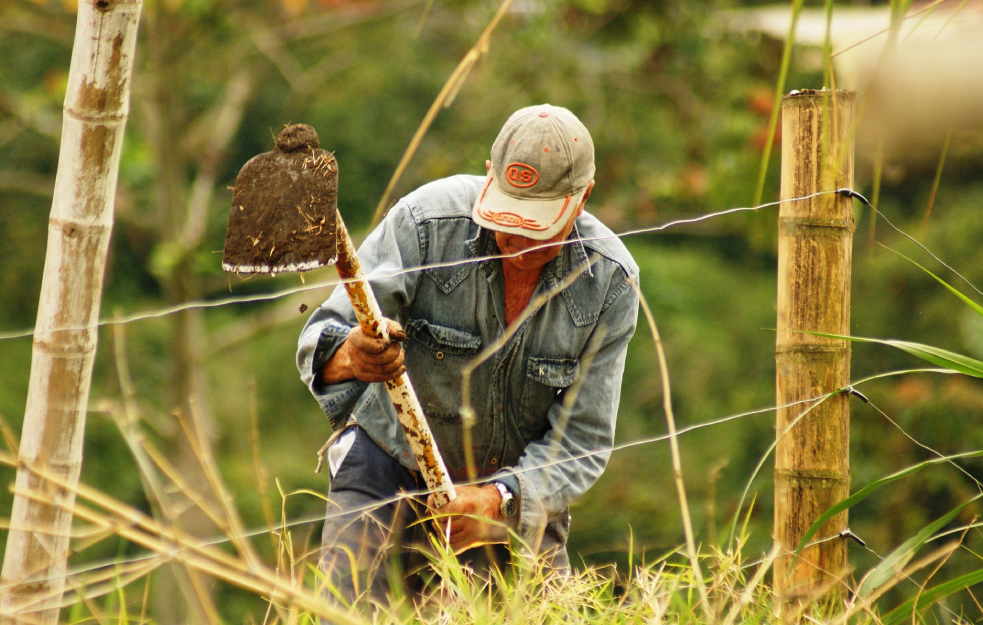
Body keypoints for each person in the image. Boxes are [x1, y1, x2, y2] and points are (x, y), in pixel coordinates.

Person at [296, 104, 639, 602]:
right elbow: (322, 340)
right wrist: (353, 356)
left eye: (537, 227)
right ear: (489, 177)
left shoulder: (610, 282)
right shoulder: (426, 223)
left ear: (582, 198)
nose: (518, 240)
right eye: (507, 220)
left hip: (512, 497)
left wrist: (497, 502)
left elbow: (582, 440)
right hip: (386, 466)